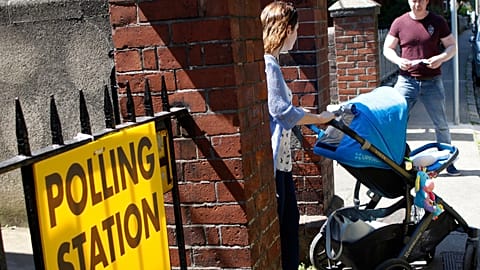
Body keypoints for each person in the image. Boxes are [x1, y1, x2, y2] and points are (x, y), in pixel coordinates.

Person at [260, 2, 336, 269]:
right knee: (286, 227)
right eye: (296, 28)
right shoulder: (270, 66)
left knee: (290, 223)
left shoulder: (271, 64)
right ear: (286, 29)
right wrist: (318, 118)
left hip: (282, 162)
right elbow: (282, 112)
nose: (298, 34)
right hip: (275, 165)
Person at [383, 0, 460, 176]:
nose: (417, 4)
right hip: (406, 82)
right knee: (396, 121)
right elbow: (387, 48)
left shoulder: (437, 21)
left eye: (421, 0)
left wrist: (440, 58)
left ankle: (448, 161)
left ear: (427, 1)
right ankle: (394, 162)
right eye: (414, 0)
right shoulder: (400, 22)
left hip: (432, 81)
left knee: (441, 124)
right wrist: (398, 61)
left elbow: (452, 46)